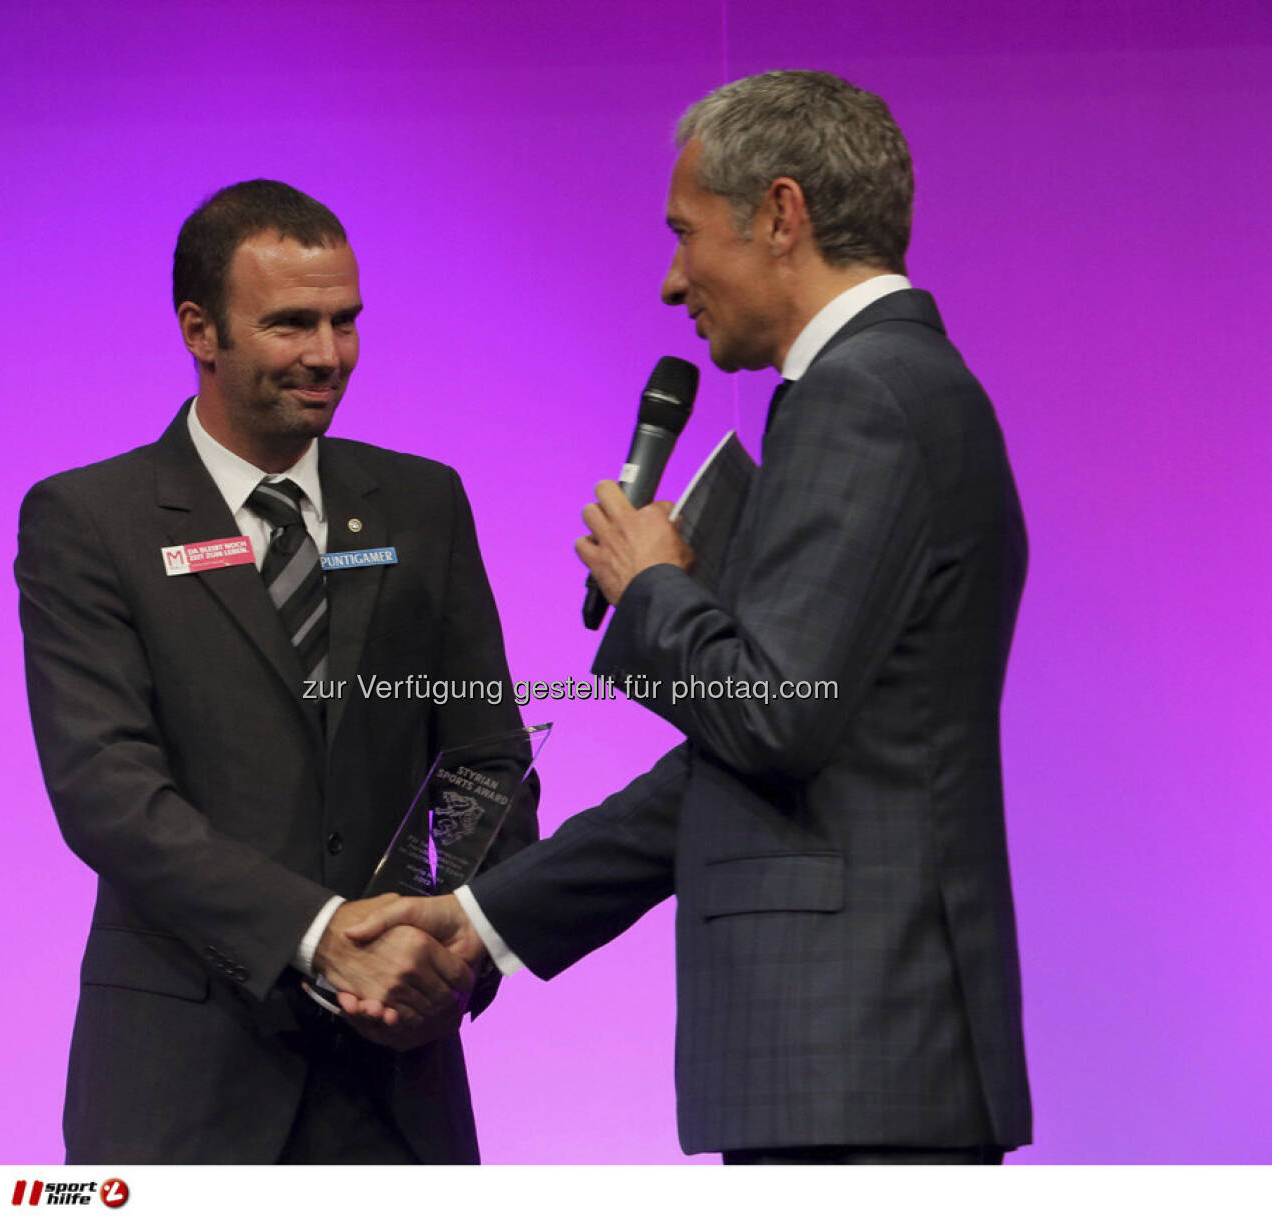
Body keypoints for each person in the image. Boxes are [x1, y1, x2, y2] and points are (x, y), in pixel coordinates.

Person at [343, 71, 1032, 1164]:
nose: (672, 282)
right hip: (853, 1065)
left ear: (780, 214)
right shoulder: (892, 388)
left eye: (684, 232)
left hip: (855, 1058)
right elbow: (740, 772)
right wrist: (479, 920)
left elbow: (770, 717)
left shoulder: (864, 396)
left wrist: (651, 583)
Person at [15, 179, 537, 1164]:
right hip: (183, 1082)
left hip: (399, 1082)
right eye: (291, 323)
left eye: (345, 321)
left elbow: (484, 758)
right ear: (199, 329)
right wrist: (318, 931)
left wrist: (450, 947)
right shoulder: (91, 521)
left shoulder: (422, 502)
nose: (327, 355)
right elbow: (110, 792)